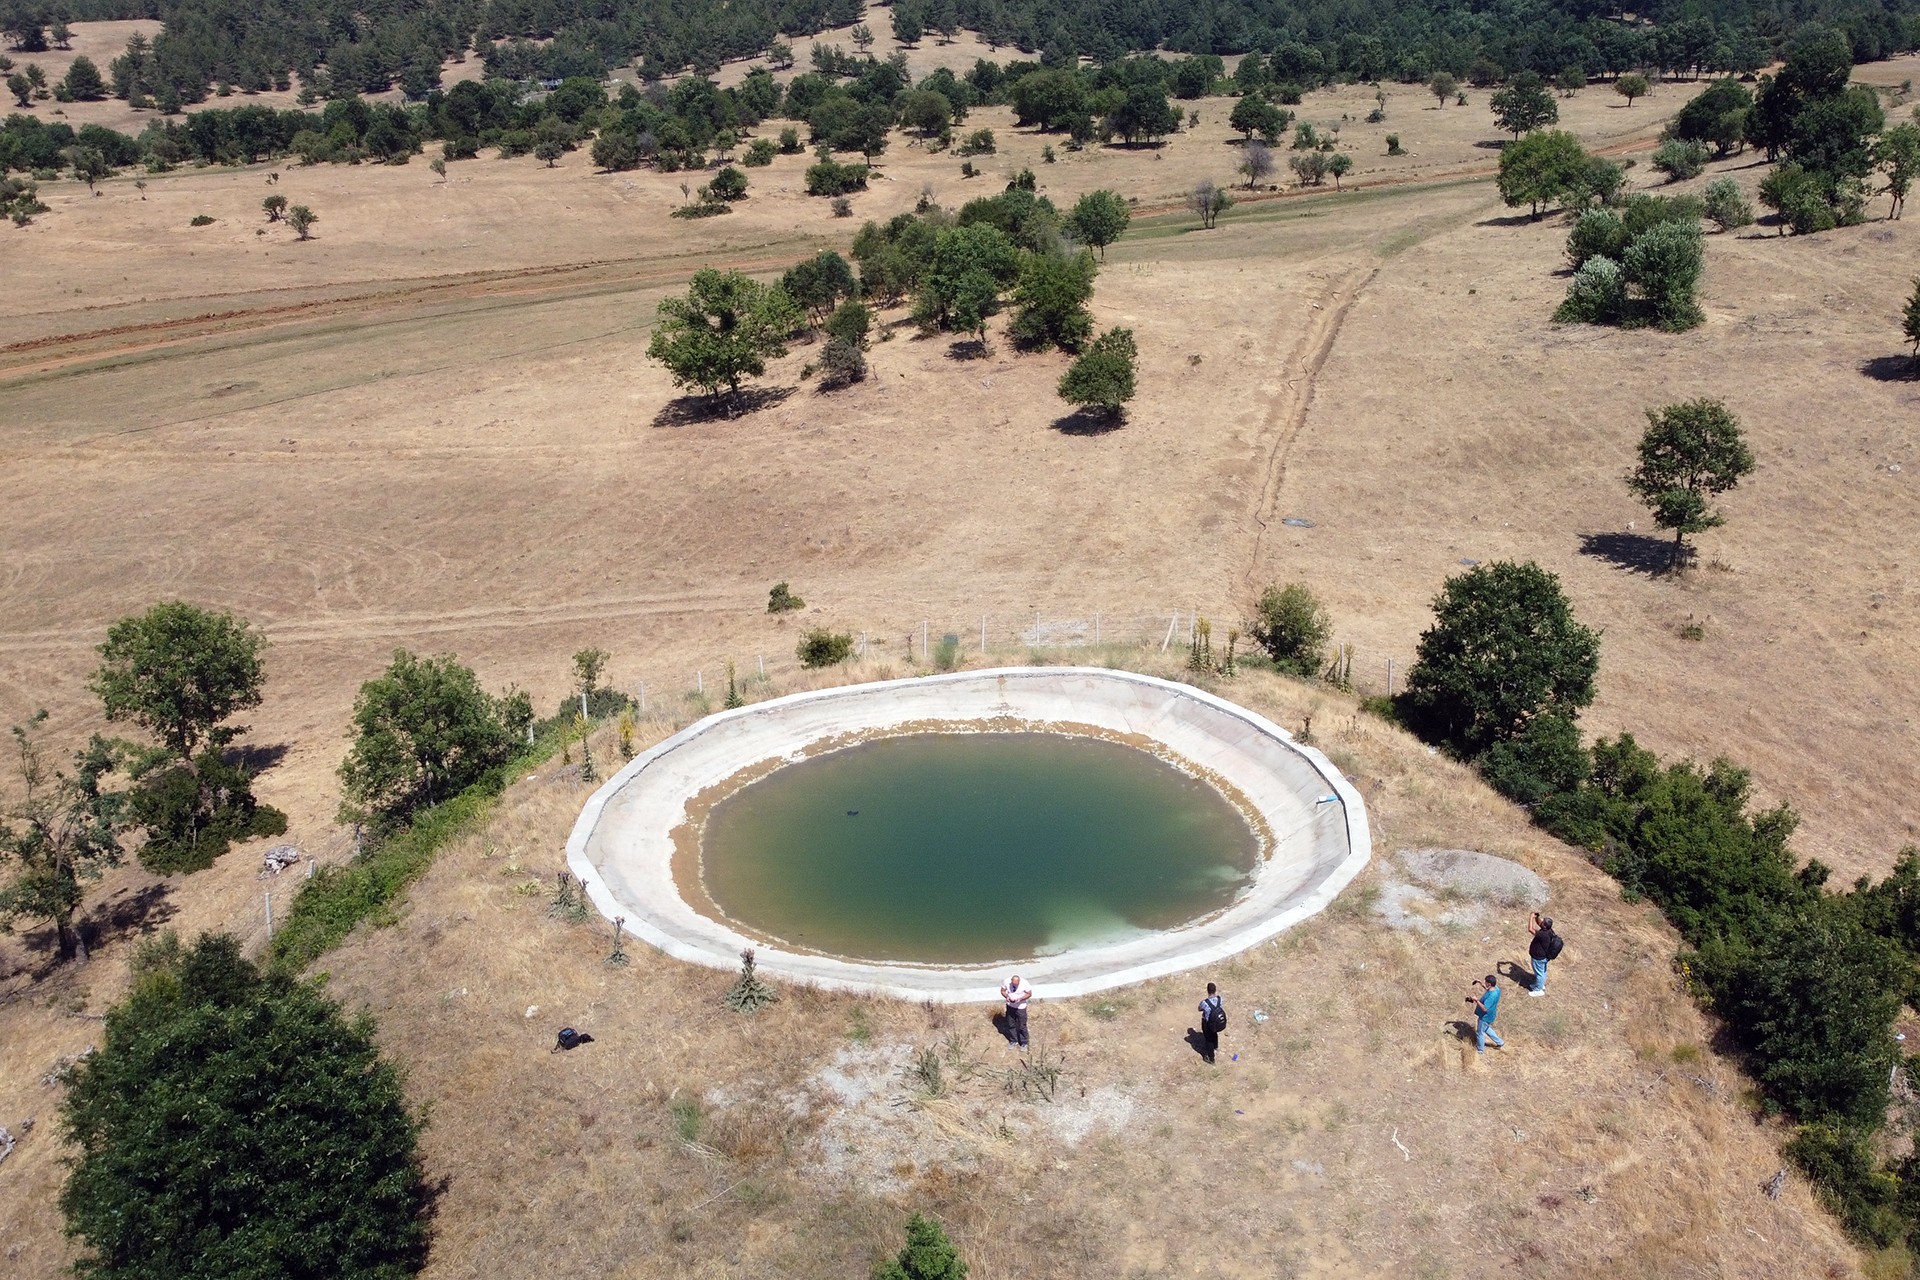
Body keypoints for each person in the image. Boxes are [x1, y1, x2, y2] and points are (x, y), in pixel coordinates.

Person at [1527, 912, 1561, 996]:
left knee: (1539, 973)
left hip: (1538, 957)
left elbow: (1530, 929)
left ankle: (1539, 990)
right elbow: (1539, 923)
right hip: (1543, 957)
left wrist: (1531, 917)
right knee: (1542, 972)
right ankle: (1540, 985)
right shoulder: (1549, 930)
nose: (1541, 921)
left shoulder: (1543, 934)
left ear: (1545, 926)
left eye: (1543, 921)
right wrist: (1537, 917)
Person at [1470, 973, 1504, 1053]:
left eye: (1485, 982)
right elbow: (1488, 989)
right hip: (1491, 1015)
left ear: (1489, 983)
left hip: (1485, 1017)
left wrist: (1476, 1000)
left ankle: (1480, 1050)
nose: (1484, 982)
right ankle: (1500, 1042)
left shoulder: (1491, 996)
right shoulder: (1496, 989)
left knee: (1480, 1032)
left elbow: (1485, 1009)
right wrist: (1480, 983)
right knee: (1486, 1028)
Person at [1196, 982, 1226, 1064]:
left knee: (1208, 1040)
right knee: (1214, 1033)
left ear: (1207, 991)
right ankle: (1215, 1046)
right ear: (1215, 990)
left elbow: (1199, 1008)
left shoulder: (1205, 1003)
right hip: (1217, 1022)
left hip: (1208, 1024)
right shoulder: (1220, 999)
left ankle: (1211, 1058)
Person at [1001, 974, 1031, 1049]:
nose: (1015, 985)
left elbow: (1029, 994)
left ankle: (1024, 1042)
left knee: (1022, 1025)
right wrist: (1007, 996)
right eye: (1014, 984)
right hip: (1010, 1006)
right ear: (1011, 981)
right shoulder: (1006, 981)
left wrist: (1021, 999)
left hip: (1021, 1007)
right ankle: (1013, 1040)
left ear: (1019, 981)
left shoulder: (1025, 983)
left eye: (1016, 984)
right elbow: (1002, 991)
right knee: (1011, 1024)